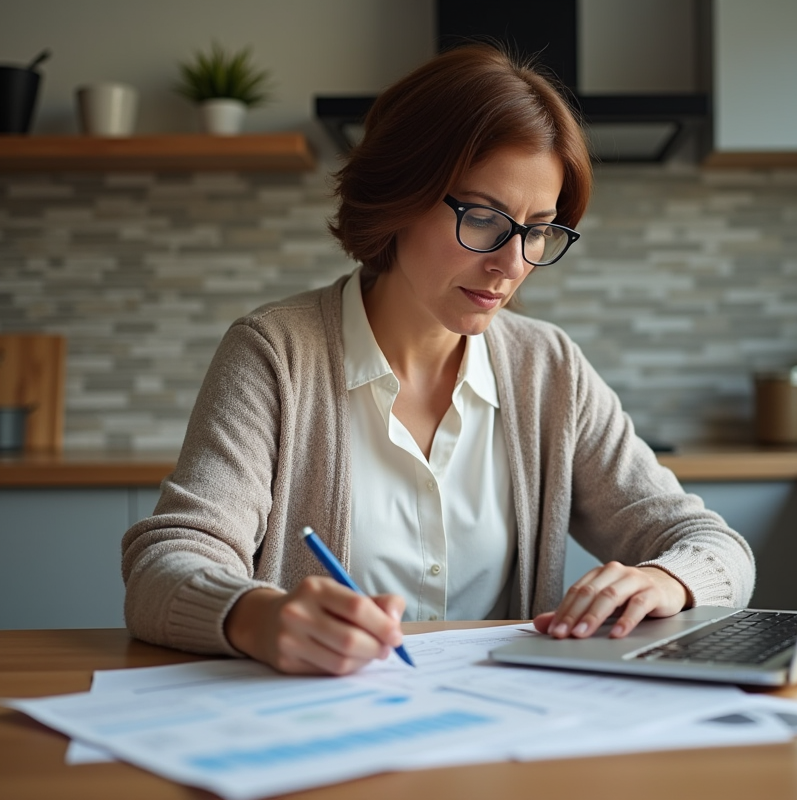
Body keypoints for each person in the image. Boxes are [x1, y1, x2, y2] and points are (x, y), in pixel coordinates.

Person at [121, 44, 755, 676]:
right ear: (400, 195)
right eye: (484, 218)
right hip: (321, 731)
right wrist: (260, 617)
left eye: (538, 229)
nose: (511, 265)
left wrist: (670, 580)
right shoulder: (275, 354)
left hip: (498, 737)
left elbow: (714, 547)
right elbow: (165, 562)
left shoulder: (549, 370)